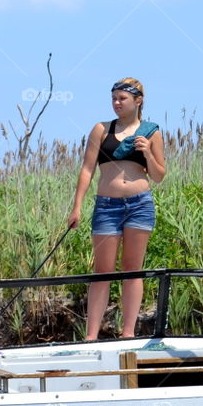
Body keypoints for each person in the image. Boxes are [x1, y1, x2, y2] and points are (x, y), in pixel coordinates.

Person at [67, 78, 166, 340]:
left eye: (122, 98)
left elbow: (159, 176)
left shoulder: (151, 132)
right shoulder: (101, 129)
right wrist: (77, 206)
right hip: (107, 206)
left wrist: (147, 153)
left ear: (138, 100)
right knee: (103, 270)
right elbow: (87, 169)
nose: (116, 103)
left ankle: (128, 333)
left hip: (139, 204)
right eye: (114, 98)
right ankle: (91, 335)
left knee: (132, 268)